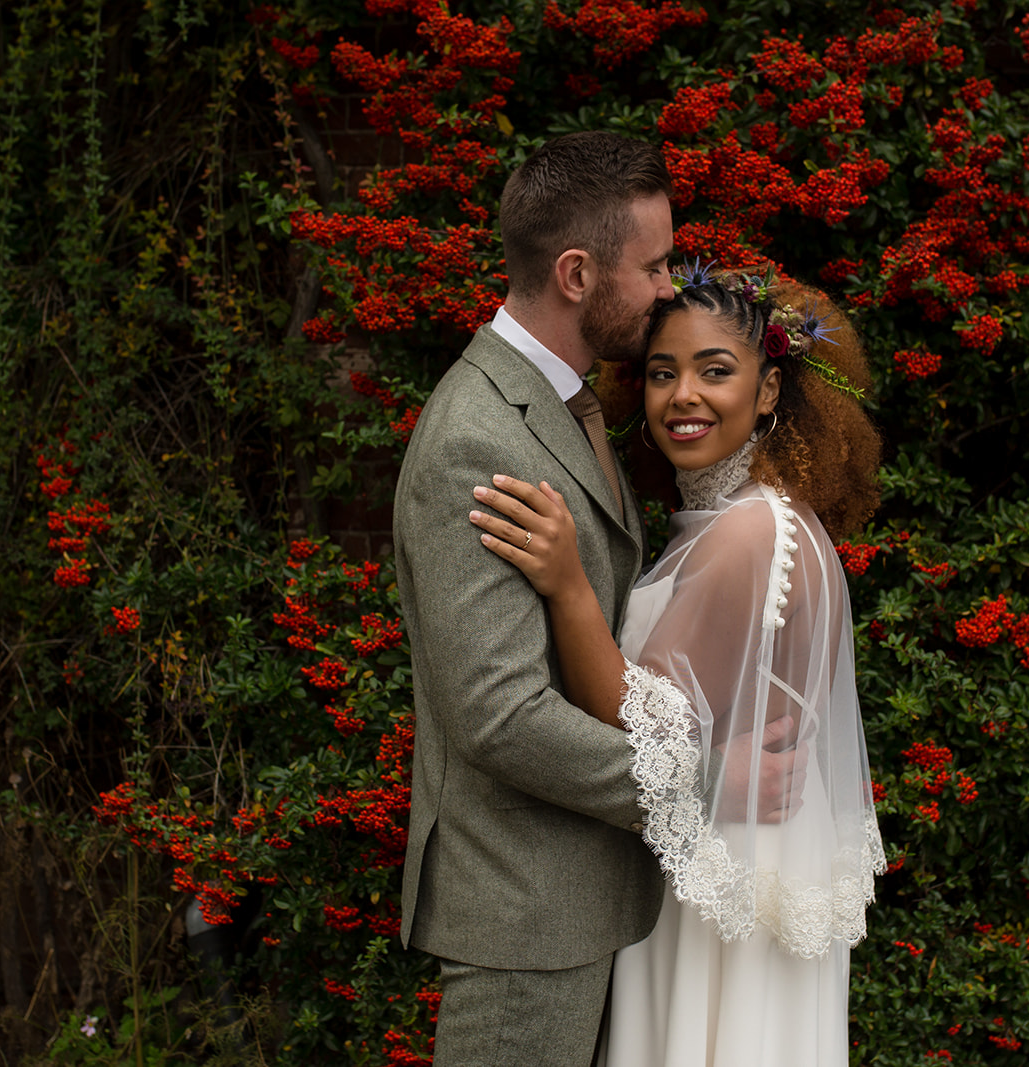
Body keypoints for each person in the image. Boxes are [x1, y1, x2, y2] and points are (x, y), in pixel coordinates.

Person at [392, 136, 807, 1067]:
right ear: (578, 274)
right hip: (524, 919)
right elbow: (499, 715)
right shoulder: (478, 437)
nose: (669, 288)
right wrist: (704, 785)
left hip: (584, 901)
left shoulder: (562, 405)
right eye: (654, 265)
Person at [469, 264, 887, 1066]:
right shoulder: (750, 518)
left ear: (769, 392)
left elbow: (635, 730)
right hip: (730, 865)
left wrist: (568, 588)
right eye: (663, 372)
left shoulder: (748, 535)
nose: (683, 394)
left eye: (715, 371)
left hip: (718, 894)